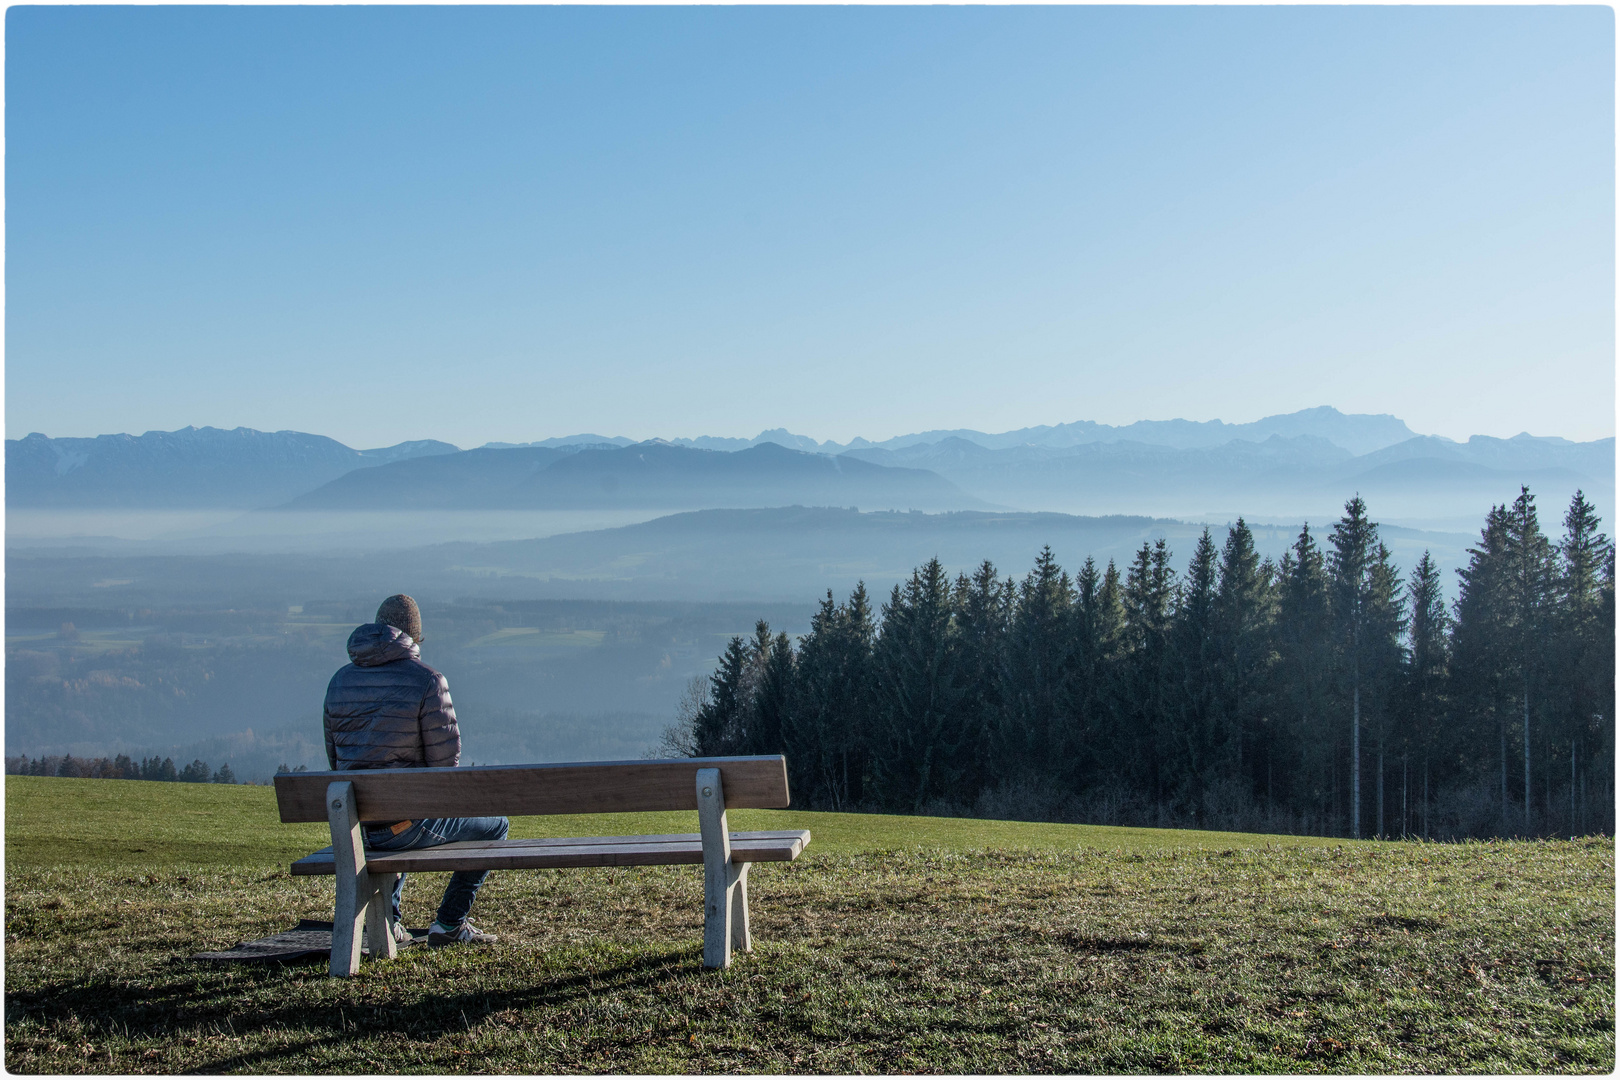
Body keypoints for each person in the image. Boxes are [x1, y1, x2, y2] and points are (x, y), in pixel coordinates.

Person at [323, 593, 508, 946]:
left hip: (358, 826)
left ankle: (391, 921)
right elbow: (443, 771)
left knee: (397, 807)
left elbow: (336, 760)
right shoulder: (428, 681)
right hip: (404, 824)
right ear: (414, 637)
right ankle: (450, 923)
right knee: (495, 825)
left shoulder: (339, 682)